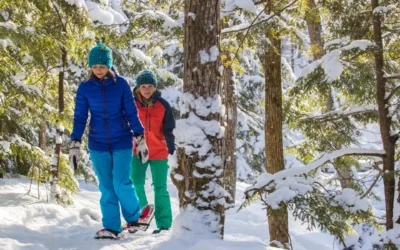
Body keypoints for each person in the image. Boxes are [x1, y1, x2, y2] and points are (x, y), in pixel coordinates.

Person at [68, 43, 149, 239]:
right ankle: (112, 227)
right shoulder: (85, 88)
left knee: (121, 182)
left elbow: (131, 112)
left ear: (109, 66)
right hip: (98, 143)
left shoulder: (121, 84)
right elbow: (80, 116)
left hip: (121, 140)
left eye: (102, 66)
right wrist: (75, 142)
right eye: (95, 67)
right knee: (106, 186)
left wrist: (140, 137)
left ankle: (135, 218)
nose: (98, 70)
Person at [130, 70, 175, 234]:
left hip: (159, 151)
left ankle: (163, 224)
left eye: (150, 86)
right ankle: (142, 216)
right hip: (137, 151)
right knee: (135, 183)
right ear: (138, 88)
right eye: (143, 86)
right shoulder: (131, 104)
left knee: (160, 187)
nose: (147, 89)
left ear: (155, 88)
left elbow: (169, 128)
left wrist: (171, 146)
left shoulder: (163, 105)